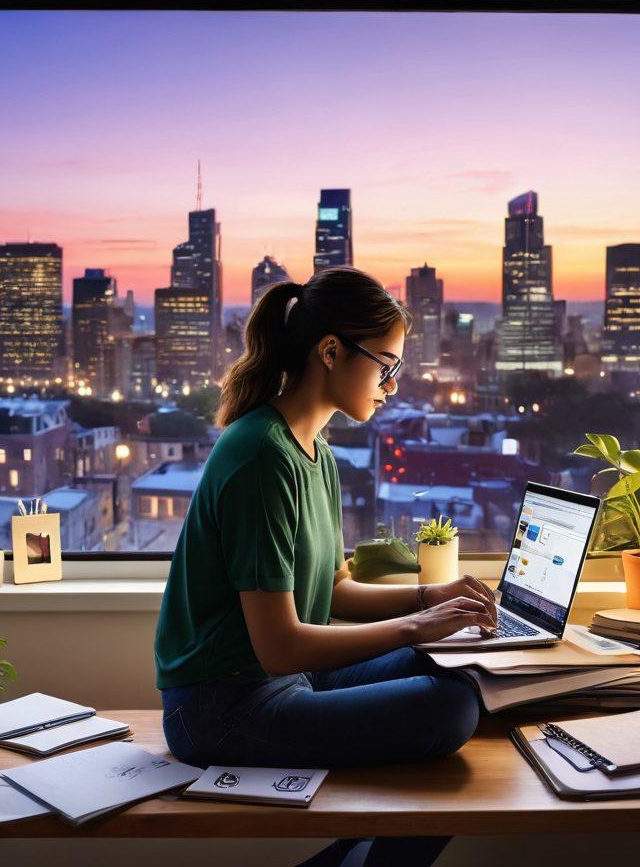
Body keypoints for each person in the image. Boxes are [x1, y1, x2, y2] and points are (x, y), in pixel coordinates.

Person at [154, 268, 497, 866]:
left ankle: (347, 855)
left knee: (463, 670)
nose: (393, 383)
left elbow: (335, 591)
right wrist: (416, 625)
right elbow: (280, 646)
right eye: (386, 364)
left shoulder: (317, 455)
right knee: (451, 707)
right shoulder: (260, 456)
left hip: (285, 682)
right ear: (331, 352)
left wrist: (432, 598)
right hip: (219, 707)